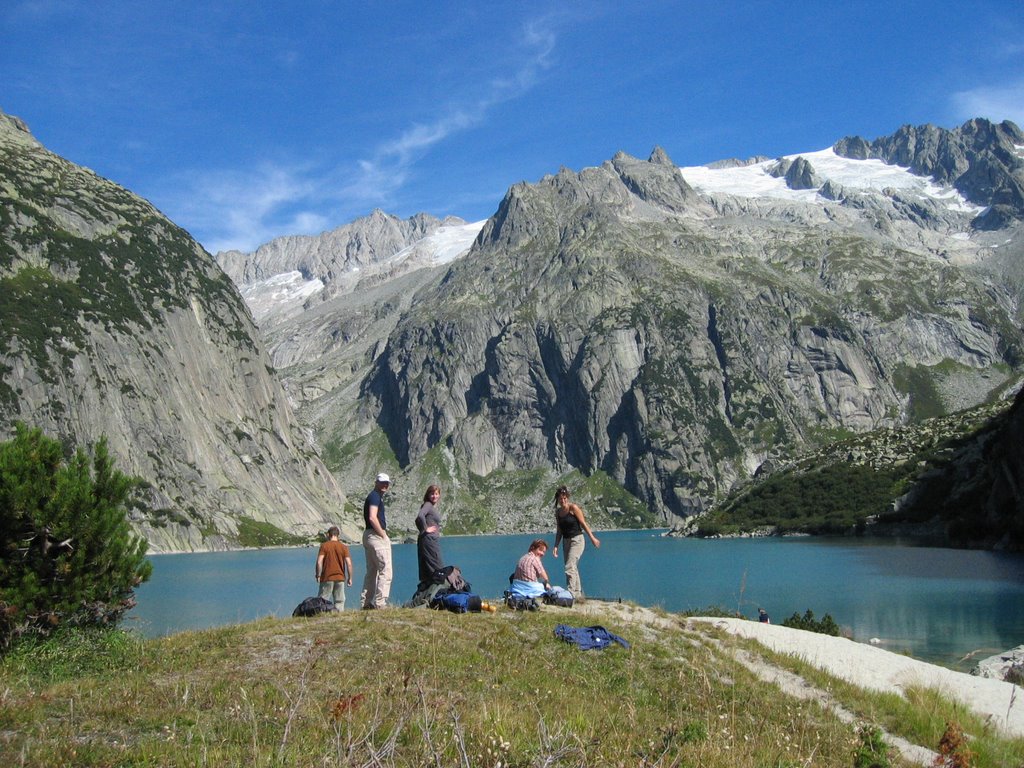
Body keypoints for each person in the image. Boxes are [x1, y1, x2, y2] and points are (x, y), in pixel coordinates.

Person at [551, 486, 600, 600]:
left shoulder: (573, 508)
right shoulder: (558, 513)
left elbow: (583, 523)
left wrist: (592, 538)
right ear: (557, 500)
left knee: (569, 566)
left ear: (567, 498)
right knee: (572, 567)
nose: (563, 500)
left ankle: (570, 593)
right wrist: (555, 546)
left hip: (577, 540)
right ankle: (578, 595)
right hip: (566, 541)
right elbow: (559, 531)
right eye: (560, 499)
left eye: (564, 498)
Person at [360, 472, 393, 609]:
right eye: (382, 482)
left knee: (372, 571)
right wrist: (383, 535)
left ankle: (366, 603)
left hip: (368, 535)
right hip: (376, 536)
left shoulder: (374, 496)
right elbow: (373, 517)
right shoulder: (375, 497)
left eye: (387, 483)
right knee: (385, 570)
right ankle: (381, 603)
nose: (385, 485)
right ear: (376, 482)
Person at [315, 526, 353, 608]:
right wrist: (350, 578)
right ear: (338, 535)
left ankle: (322, 617)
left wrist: (318, 575)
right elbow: (349, 563)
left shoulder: (324, 546)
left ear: (328, 535)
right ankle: (339, 617)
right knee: (339, 601)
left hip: (327, 577)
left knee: (323, 600)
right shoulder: (344, 547)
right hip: (340, 577)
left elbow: (319, 562)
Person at [415, 484, 445, 587]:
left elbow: (417, 520)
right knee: (437, 565)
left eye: (436, 494)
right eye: (432, 493)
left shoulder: (430, 506)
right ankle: (436, 588)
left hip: (428, 540)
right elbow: (420, 516)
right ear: (428, 495)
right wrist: (425, 529)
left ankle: (429, 588)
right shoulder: (427, 505)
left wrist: (422, 531)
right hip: (429, 541)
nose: (434, 496)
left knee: (429, 566)